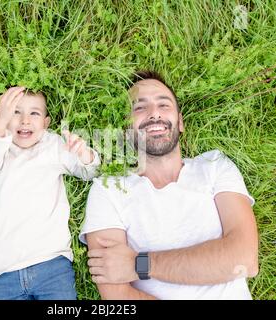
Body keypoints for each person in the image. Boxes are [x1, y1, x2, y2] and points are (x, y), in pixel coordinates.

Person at [79, 71, 259, 300]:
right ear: (126, 130)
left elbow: (244, 260)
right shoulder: (107, 190)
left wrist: (138, 263)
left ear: (180, 122)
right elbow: (118, 295)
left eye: (163, 105)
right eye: (139, 108)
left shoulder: (215, 165)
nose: (154, 113)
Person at [0, 86, 100, 300]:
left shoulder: (53, 145)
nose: (25, 120)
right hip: (5, 271)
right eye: (15, 112)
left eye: (34, 113)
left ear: (46, 123)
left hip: (52, 263)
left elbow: (90, 172)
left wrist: (84, 153)